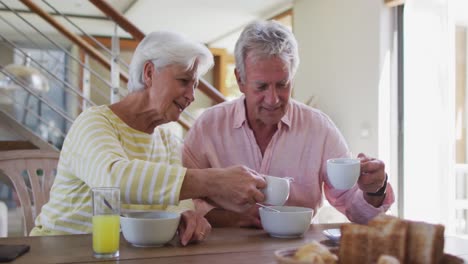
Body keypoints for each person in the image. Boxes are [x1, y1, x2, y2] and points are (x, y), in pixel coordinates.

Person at [31, 31, 266, 245]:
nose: (192, 96)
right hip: (58, 248)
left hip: (123, 252)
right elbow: (114, 179)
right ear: (149, 73)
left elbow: (178, 200)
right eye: (184, 81)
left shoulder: (167, 139)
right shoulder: (93, 123)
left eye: (194, 85)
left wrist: (187, 216)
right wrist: (216, 180)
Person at [183, 20, 395, 227]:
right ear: (240, 80)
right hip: (224, 252)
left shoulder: (319, 129)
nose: (273, 99)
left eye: (282, 85)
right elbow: (183, 200)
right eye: (261, 86)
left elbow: (358, 212)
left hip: (296, 252)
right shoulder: (208, 127)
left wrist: (375, 190)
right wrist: (232, 218)